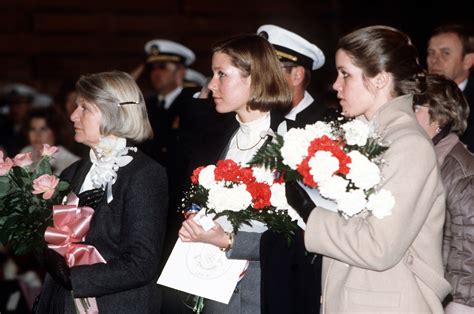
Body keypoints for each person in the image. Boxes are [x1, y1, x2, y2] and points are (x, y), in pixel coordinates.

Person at [285, 25, 451, 313]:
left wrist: (310, 213)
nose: (336, 85)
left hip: (388, 302)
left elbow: (379, 247)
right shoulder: (362, 137)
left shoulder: (408, 145)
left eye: (345, 74)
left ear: (379, 80)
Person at [34, 71, 168, 313]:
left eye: (84, 108)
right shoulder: (72, 173)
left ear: (112, 113)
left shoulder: (144, 174)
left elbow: (142, 263)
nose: (73, 115)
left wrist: (76, 278)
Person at [178, 34, 292, 313]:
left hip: (262, 291)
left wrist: (229, 241)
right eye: (212, 74)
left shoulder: (290, 142)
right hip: (212, 286)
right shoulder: (218, 136)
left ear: (254, 78)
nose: (212, 85)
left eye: (221, 74)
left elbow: (295, 239)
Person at [256, 24, 330, 314]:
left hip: (310, 262)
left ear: (297, 75)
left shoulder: (330, 126)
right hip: (264, 257)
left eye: (271, 73)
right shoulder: (259, 121)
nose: (261, 81)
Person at [413, 74, 474, 314]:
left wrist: (459, 306)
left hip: (445, 299)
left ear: (440, 117)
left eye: (415, 108)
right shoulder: (419, 158)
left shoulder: (460, 171)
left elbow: (468, 248)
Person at [427, 24, 474, 152]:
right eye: (431, 53)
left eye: (445, 53)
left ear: (468, 61)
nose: (434, 60)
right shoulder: (416, 97)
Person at [20, 107, 79, 175]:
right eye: (33, 129)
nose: (37, 135)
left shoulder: (69, 161)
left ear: (55, 132)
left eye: (43, 129)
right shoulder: (26, 152)